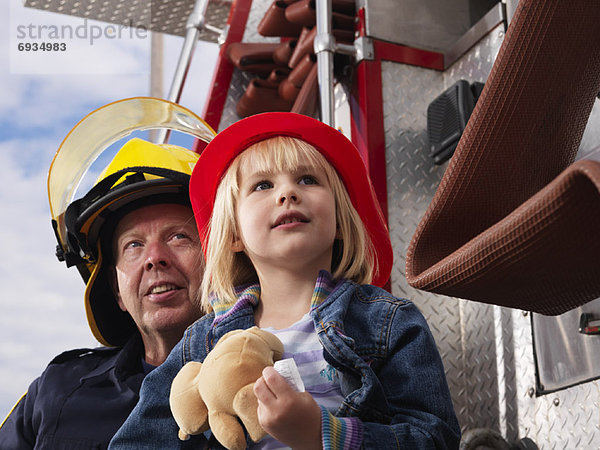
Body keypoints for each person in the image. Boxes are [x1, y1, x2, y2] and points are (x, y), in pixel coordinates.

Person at [110, 112, 461, 449]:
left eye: (307, 180)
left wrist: (322, 434)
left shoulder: (388, 323)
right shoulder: (202, 342)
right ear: (233, 235)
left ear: (340, 221)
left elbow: (434, 438)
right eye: (262, 185)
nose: (287, 193)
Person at [0, 97, 216, 449]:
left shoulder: (272, 380)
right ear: (115, 289)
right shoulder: (54, 392)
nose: (154, 259)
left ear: (219, 261)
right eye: (133, 245)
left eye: (178, 237)